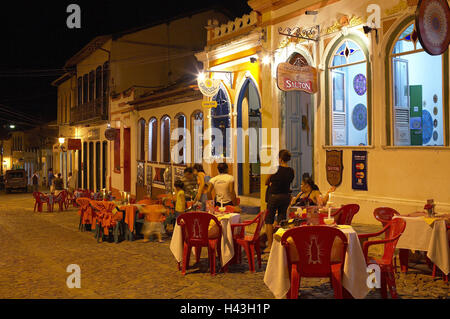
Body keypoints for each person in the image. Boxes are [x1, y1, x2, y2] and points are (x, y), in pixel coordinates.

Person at [265, 150, 294, 253]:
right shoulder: (291, 170)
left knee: (269, 220)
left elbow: (266, 181)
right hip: (285, 196)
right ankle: (279, 245)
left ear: (280, 159)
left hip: (274, 196)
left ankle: (270, 245)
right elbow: (289, 181)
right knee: (281, 220)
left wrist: (272, 182)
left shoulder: (274, 168)